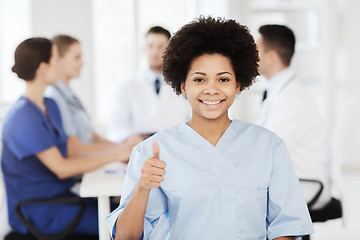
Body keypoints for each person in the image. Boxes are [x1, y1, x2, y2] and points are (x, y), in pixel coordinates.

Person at [106, 17, 314, 240]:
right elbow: (125, 237)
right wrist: (143, 187)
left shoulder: (269, 147)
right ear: (183, 86)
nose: (211, 90)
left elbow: (286, 229)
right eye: (199, 80)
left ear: (237, 85)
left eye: (223, 79)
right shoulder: (151, 152)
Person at [1, 37, 140, 236]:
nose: (60, 66)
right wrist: (116, 155)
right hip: (43, 210)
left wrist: (122, 149)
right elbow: (62, 168)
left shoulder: (50, 105)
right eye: (56, 60)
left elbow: (71, 150)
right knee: (127, 227)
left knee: (131, 212)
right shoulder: (22, 116)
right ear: (43, 68)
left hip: (65, 198)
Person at [256, 24, 332, 209]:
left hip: (304, 184)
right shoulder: (281, 90)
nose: (252, 57)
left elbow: (267, 150)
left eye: (256, 50)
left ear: (272, 56)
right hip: (290, 178)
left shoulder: (291, 98)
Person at [106, 26, 191, 143]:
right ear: (144, 49)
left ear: (169, 50)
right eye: (150, 46)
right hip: (140, 150)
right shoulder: (127, 86)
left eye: (161, 46)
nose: (155, 52)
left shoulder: (183, 83)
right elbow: (116, 126)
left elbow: (192, 119)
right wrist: (130, 138)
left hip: (176, 147)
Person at [45, 35, 112, 144]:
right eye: (77, 57)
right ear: (58, 59)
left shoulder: (69, 94)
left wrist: (126, 149)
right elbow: (73, 147)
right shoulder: (53, 96)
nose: (82, 63)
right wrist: (121, 151)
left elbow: (91, 136)